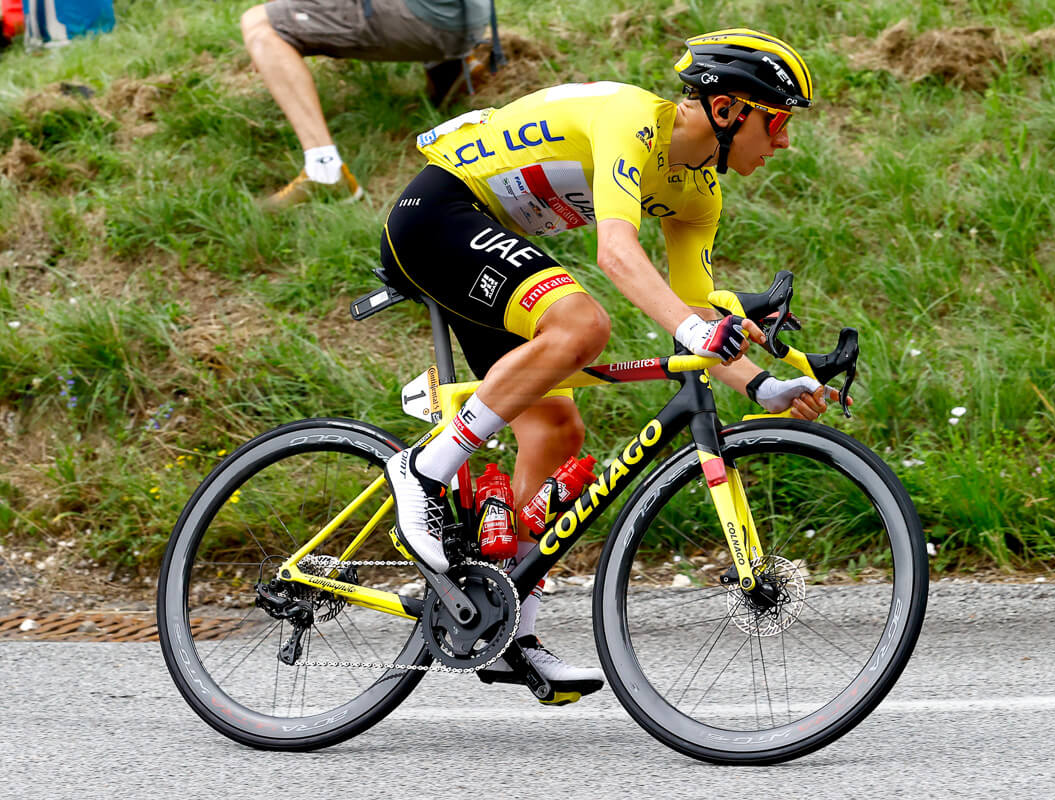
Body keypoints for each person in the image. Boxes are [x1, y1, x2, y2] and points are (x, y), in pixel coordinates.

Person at [380, 29, 843, 701]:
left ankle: (504, 631)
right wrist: (696, 328)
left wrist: (765, 386)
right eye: (775, 121)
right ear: (725, 110)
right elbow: (618, 256)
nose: (784, 141)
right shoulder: (634, 121)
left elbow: (694, 324)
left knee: (556, 433)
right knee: (582, 324)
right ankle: (422, 470)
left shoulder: (699, 193)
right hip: (439, 213)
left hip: (491, 241)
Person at [241, 0, 495, 211]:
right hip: (469, 16)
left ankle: (325, 171)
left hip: (431, 23)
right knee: (286, 13)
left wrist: (284, 22)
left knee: (262, 25)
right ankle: (451, 67)